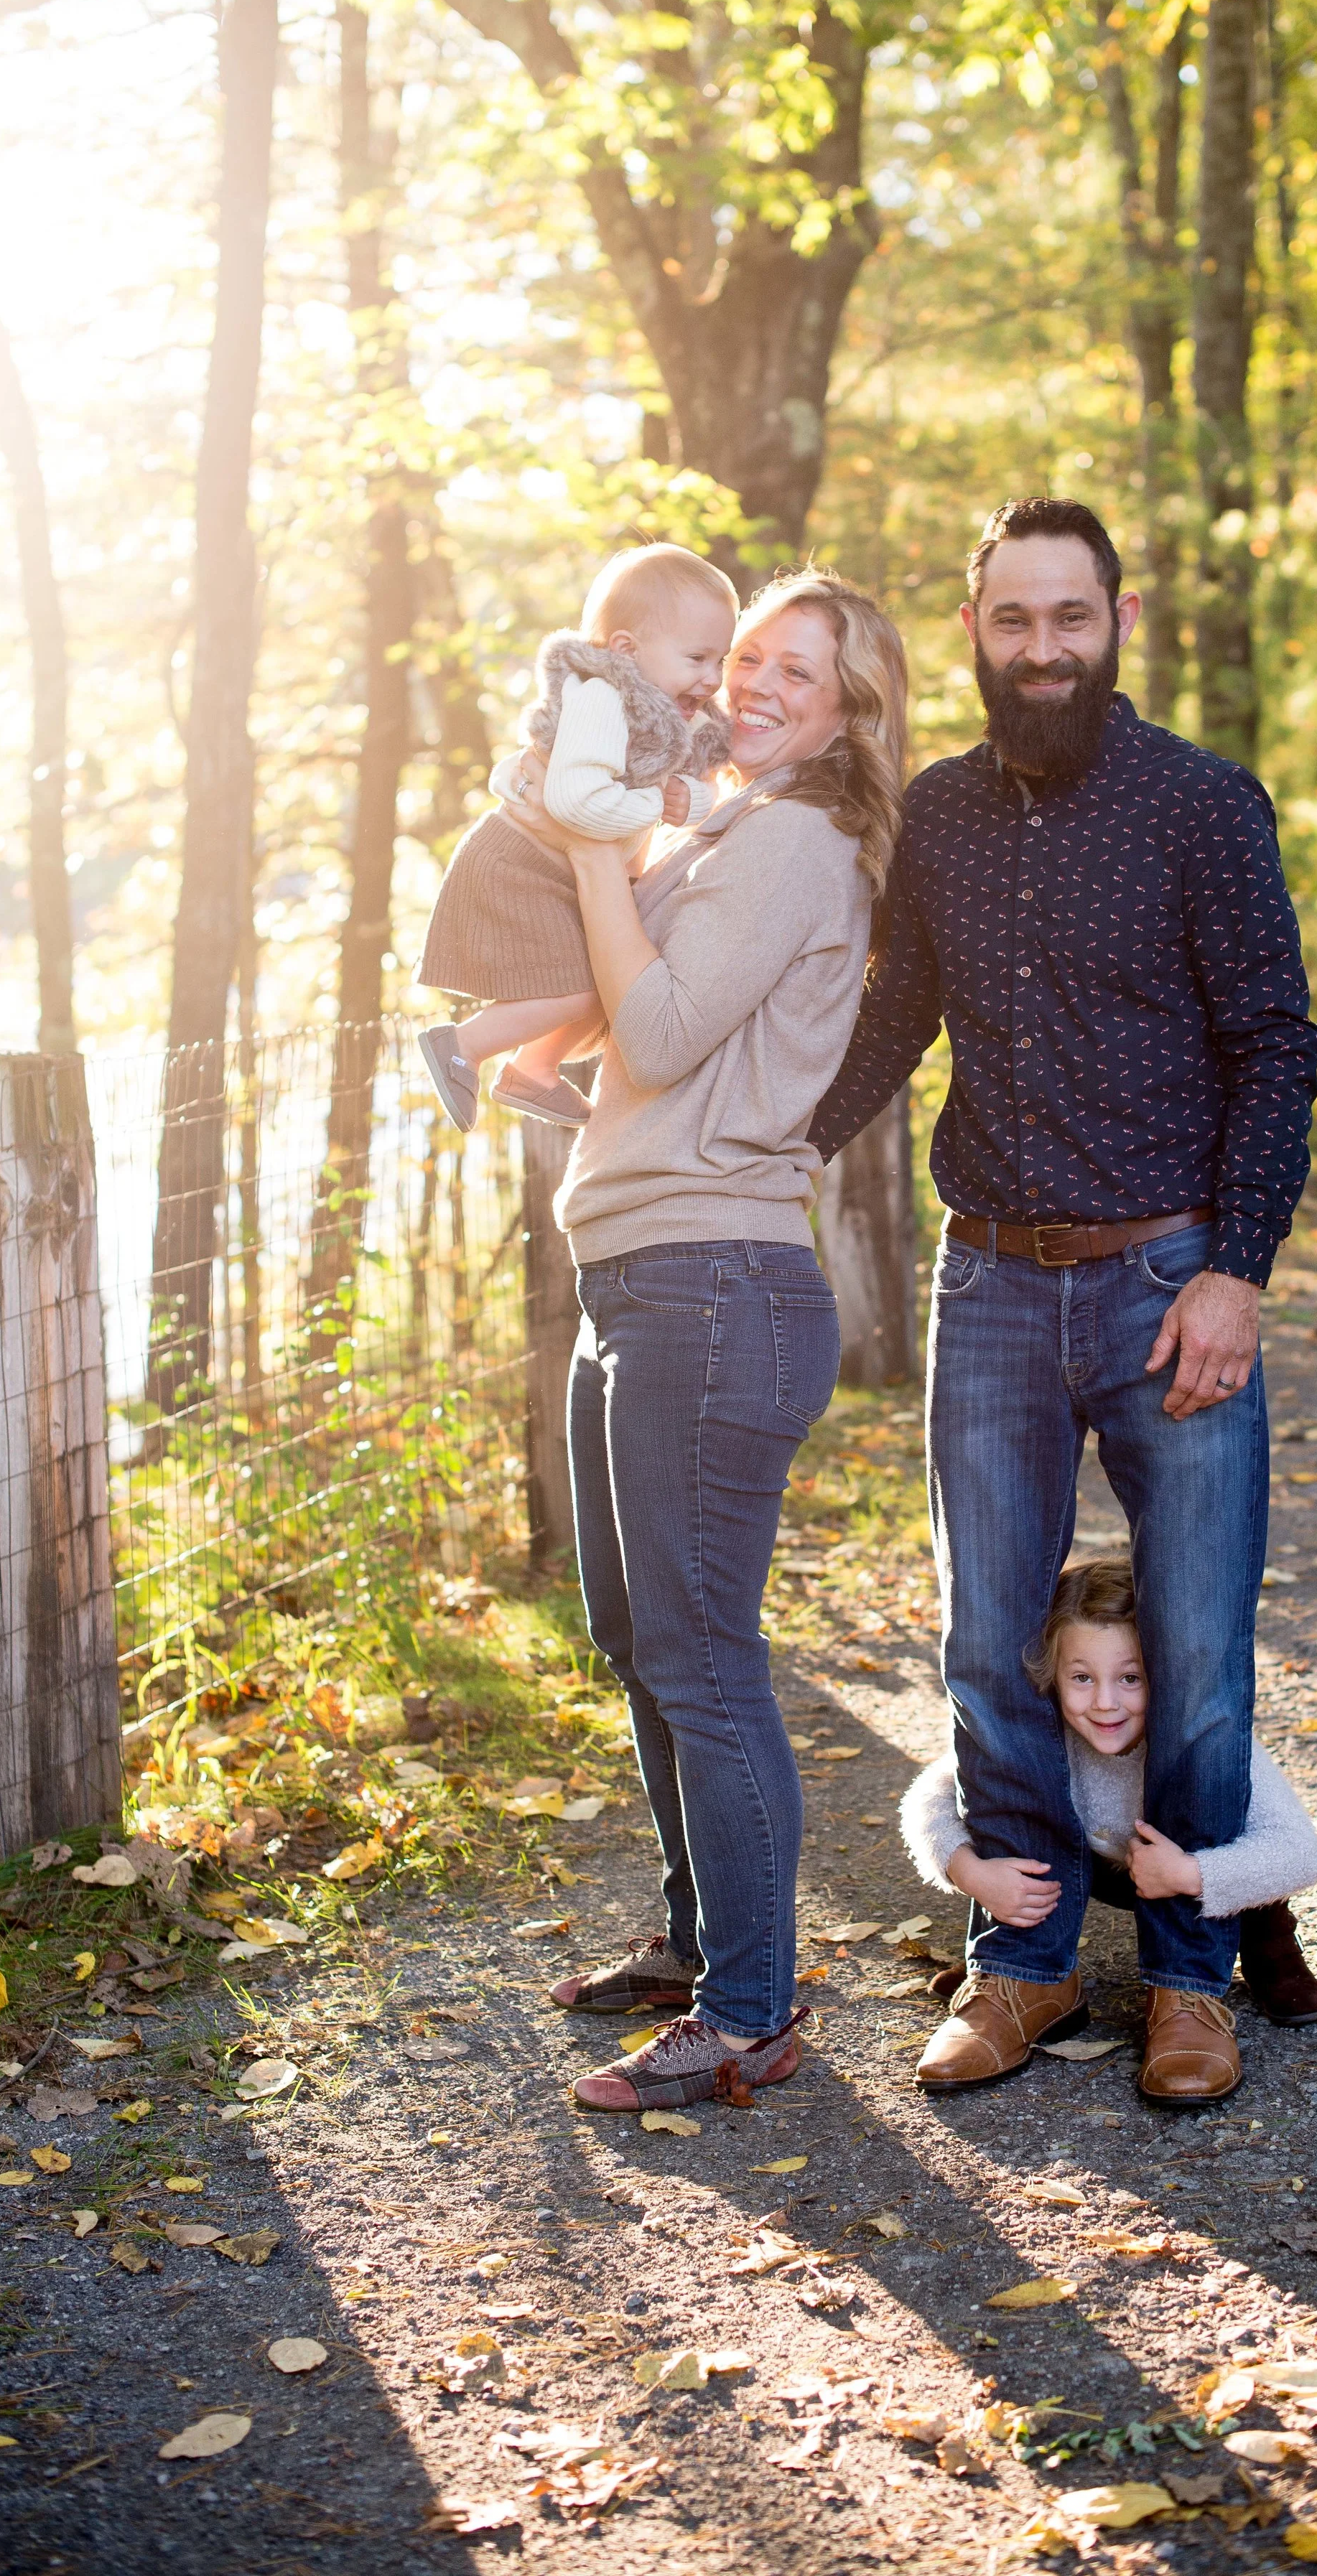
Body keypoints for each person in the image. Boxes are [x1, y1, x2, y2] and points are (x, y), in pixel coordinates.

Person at [811, 497, 1317, 2107]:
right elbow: (893, 1016)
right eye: (1011, 621)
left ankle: (1188, 1982)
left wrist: (1236, 1269)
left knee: (1193, 1638)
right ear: (973, 630)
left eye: (1068, 618)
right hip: (990, 1283)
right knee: (983, 1636)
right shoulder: (941, 818)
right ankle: (1019, 1966)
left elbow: (1272, 1044)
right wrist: (767, 1147)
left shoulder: (1201, 805)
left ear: (1117, 620)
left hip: (1173, 1277)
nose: (1040, 649)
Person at [538, 568, 911, 2113]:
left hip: (712, 1286)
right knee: (641, 1638)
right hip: (640, 1274)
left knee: (701, 1656)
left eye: (798, 674)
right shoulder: (726, 829)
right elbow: (671, 1045)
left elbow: (671, 1031)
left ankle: (751, 2013)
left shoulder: (796, 840)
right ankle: (702, 1948)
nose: (755, 683)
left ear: (847, 716)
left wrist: (585, 850)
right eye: (748, 654)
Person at [898, 1555, 1317, 2074]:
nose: (1105, 1703)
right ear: (1052, 1675)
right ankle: (1012, 1966)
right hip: (1097, 1864)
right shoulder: (1043, 1735)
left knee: (1247, 1874)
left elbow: (1301, 1853)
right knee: (997, 1807)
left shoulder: (1208, 1741)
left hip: (1198, 1864)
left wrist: (1192, 1874)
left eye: (1131, 1678)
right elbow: (930, 1796)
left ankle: (1270, 1949)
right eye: (1081, 1676)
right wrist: (969, 1871)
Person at [416, 543, 737, 1129]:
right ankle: (460, 1044)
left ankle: (532, 1072)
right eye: (697, 658)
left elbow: (683, 790)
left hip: (560, 865)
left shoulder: (667, 713)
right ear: (625, 650)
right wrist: (652, 801)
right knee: (576, 987)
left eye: (721, 660)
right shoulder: (603, 697)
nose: (712, 678)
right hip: (523, 861)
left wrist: (687, 799)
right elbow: (575, 799)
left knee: (604, 981)